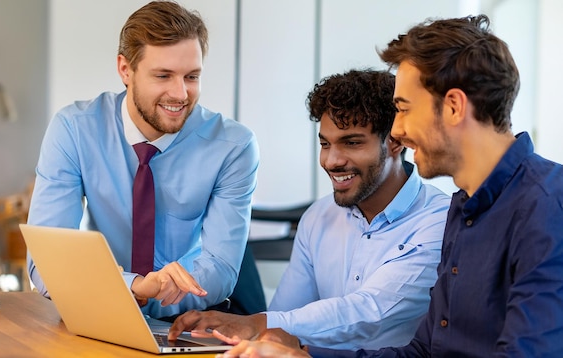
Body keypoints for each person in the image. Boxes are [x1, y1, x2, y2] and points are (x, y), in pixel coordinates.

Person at [215, 14, 563, 358]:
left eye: (404, 109)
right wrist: (305, 355)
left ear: (454, 107)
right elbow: (424, 352)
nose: (396, 131)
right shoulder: (465, 207)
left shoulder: (547, 204)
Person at [167, 69, 450, 351]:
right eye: (325, 144)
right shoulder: (318, 217)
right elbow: (283, 318)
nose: (332, 160)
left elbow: (372, 311)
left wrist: (257, 324)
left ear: (395, 142)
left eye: (352, 143)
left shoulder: (439, 222)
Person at [26, 0, 259, 319]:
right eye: (163, 76)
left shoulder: (233, 146)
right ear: (125, 69)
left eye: (191, 77)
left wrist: (160, 290)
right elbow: (47, 261)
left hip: (188, 317)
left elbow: (220, 270)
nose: (180, 94)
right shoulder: (75, 130)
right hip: (102, 309)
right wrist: (132, 286)